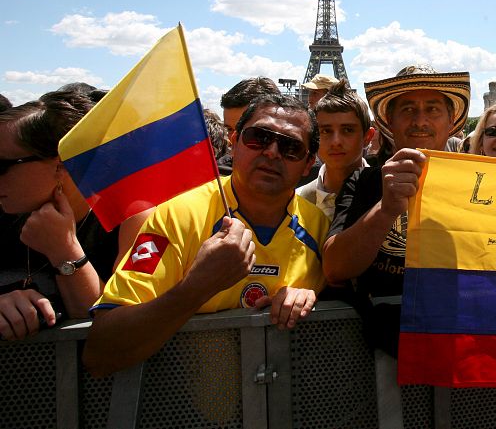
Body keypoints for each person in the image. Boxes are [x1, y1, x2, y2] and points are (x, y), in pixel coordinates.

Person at [83, 93, 328, 377]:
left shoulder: (319, 227)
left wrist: (308, 300)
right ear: (234, 142)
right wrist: (196, 287)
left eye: (290, 147)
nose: (271, 152)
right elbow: (99, 351)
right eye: (258, 138)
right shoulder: (177, 216)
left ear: (309, 163)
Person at [323, 65, 470, 356]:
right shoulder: (363, 181)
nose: (420, 121)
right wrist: (386, 209)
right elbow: (334, 268)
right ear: (389, 120)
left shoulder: (478, 184)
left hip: (462, 345)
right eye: (407, 110)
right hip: (381, 353)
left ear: (451, 121)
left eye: (432, 109)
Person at [0, 91, 127, 340]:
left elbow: (110, 334)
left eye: (2, 166)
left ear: (62, 165)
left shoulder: (126, 221)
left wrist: (65, 251)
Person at [296, 80, 374, 220]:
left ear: (367, 137)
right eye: (326, 131)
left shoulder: (390, 196)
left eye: (347, 130)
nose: (336, 142)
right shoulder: (296, 201)